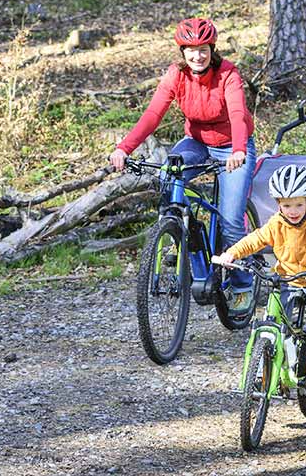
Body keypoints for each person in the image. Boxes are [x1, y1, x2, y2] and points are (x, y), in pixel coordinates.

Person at [109, 17, 257, 314]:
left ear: (211, 49)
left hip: (233, 147)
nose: (197, 56)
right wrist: (124, 148)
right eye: (190, 50)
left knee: (230, 221)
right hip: (197, 143)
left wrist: (239, 149)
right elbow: (153, 114)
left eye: (202, 49)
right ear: (182, 51)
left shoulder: (227, 73)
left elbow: (239, 113)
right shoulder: (176, 75)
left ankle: (243, 282)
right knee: (169, 174)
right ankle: (175, 231)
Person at [218, 164, 306, 372]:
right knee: (274, 319)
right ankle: (270, 361)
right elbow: (254, 240)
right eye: (287, 206)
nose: (292, 211)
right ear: (278, 204)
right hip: (286, 278)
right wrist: (232, 253)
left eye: (298, 205)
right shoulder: (276, 223)